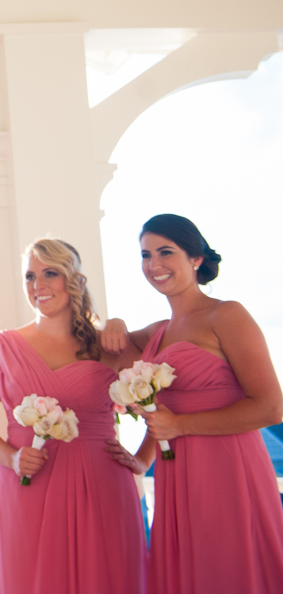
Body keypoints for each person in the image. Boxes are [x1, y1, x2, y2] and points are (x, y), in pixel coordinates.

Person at [99, 214, 283, 594]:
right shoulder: (155, 332)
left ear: (195, 258)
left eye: (166, 252)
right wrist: (113, 322)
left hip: (229, 469)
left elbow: (270, 408)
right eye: (146, 255)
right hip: (174, 474)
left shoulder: (226, 314)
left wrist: (181, 426)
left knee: (231, 569)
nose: (154, 265)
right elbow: (105, 359)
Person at [0, 238, 146, 594]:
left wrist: (143, 460)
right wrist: (13, 458)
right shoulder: (3, 346)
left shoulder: (105, 345)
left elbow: (157, 401)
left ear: (73, 279)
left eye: (50, 273)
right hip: (28, 484)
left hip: (101, 485)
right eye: (30, 276)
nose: (38, 285)